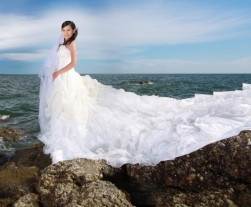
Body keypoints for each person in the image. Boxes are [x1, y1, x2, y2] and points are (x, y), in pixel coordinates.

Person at [38, 21, 251, 167]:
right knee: (62, 107)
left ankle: (73, 137)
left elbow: (74, 63)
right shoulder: (60, 44)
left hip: (68, 77)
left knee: (73, 105)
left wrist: (58, 72)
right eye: (63, 30)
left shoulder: (73, 44)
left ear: (74, 31)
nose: (65, 33)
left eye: (68, 30)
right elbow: (56, 60)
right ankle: (61, 134)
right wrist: (53, 73)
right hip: (60, 79)